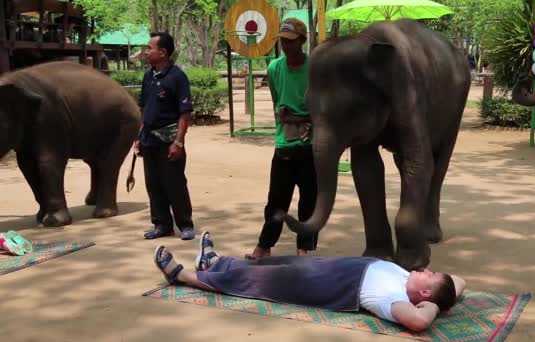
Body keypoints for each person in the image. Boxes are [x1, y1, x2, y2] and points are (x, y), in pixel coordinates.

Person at [153, 232, 466, 332]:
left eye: (430, 275)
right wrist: (442, 298)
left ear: (423, 293)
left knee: (256, 280)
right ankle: (217, 262)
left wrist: (431, 309)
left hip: (320, 285)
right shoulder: (411, 281)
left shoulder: (395, 299)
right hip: (325, 267)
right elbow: (459, 281)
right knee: (271, 261)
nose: (426, 268)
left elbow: (417, 322)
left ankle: (183, 275)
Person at [245, 18, 318, 259]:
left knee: (309, 201)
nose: (287, 46)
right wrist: (288, 119)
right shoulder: (275, 68)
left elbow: (322, 108)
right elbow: (279, 107)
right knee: (277, 200)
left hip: (311, 145)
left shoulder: (316, 68)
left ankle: (304, 248)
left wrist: (298, 118)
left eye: (291, 41)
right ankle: (264, 246)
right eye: (283, 42)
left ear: (302, 41)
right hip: (285, 144)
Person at [134, 32, 196, 241]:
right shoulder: (148, 77)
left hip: (169, 140)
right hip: (149, 140)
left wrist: (178, 141)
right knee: (154, 184)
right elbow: (144, 109)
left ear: (163, 52)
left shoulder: (177, 77)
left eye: (149, 48)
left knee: (175, 183)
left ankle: (185, 225)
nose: (146, 51)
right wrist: (139, 136)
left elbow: (185, 113)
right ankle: (162, 225)